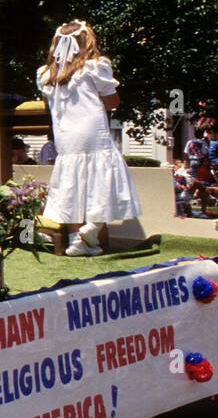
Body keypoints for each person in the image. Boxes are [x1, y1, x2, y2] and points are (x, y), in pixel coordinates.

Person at [36, 21, 141, 256]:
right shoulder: (94, 67)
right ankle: (92, 227)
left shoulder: (46, 75)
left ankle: (77, 240)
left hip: (66, 137)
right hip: (92, 131)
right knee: (103, 179)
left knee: (73, 183)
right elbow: (112, 101)